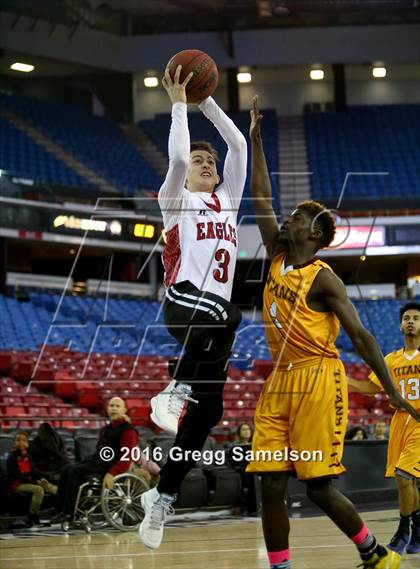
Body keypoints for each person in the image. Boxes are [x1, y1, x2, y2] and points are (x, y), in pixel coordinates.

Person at [245, 95, 420, 569]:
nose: (287, 219)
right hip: (280, 380)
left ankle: (374, 552)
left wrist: (392, 393)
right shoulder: (278, 257)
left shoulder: (324, 278)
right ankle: (280, 567)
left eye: (297, 218)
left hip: (319, 381)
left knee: (318, 486)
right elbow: (261, 197)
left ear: (316, 235)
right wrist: (256, 141)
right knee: (271, 482)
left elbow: (362, 338)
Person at [139, 64, 247, 549]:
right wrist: (180, 102)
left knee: (208, 417)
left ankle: (159, 500)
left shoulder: (227, 201)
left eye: (210, 160)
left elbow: (239, 147)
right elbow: (179, 159)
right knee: (229, 313)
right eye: (201, 159)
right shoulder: (175, 198)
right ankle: (174, 390)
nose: (206, 162)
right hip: (183, 305)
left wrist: (208, 103)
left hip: (213, 323)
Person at [348, 302, 420, 555]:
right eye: (407, 318)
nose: (411, 321)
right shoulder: (390, 359)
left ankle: (402, 532)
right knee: (407, 482)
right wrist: (342, 378)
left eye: (416, 318)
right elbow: (370, 388)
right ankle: (418, 532)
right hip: (400, 421)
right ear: (400, 325)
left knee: (404, 476)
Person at [51, 397, 138, 523]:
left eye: (117, 406)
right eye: (111, 405)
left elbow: (126, 458)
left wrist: (111, 473)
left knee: (74, 472)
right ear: (107, 409)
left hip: (110, 466)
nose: (114, 408)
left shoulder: (128, 431)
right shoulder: (106, 429)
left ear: (124, 410)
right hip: (98, 461)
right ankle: (59, 510)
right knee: (66, 469)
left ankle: (69, 513)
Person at [7, 431, 57, 526]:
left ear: (27, 443)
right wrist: (34, 482)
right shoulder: (12, 457)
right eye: (18, 440)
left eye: (23, 440)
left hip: (30, 481)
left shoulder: (28, 457)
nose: (21, 442)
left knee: (51, 487)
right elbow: (16, 475)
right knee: (38, 490)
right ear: (14, 443)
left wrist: (41, 479)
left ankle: (63, 511)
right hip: (16, 484)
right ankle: (33, 515)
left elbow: (34, 471)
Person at [228, 423, 257, 515]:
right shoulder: (234, 447)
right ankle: (250, 507)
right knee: (250, 477)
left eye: (248, 429)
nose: (246, 431)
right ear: (239, 432)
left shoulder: (255, 445)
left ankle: (254, 506)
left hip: (252, 470)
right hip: (240, 472)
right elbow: (234, 463)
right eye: (243, 429)